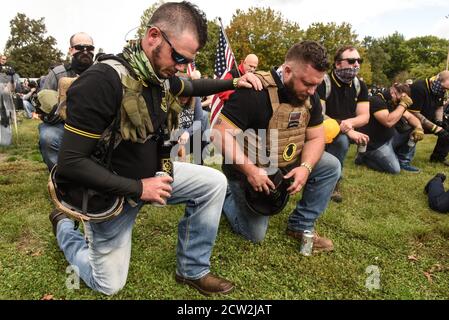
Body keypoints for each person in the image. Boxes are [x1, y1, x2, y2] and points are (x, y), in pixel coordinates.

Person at [50, 1, 262, 296]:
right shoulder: (102, 80)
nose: (180, 67)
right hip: (111, 196)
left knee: (213, 183)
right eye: (177, 56)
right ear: (153, 36)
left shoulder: (158, 76)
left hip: (153, 178)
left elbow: (189, 87)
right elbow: (71, 162)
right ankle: (63, 228)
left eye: (186, 60)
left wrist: (235, 81)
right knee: (108, 284)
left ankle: (192, 269)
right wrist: (139, 188)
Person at [212, 40, 340, 251]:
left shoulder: (311, 95)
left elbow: (316, 138)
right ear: (287, 71)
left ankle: (300, 225)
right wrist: (251, 170)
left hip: (286, 159)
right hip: (248, 166)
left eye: (316, 84)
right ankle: (227, 194)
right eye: (307, 83)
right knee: (253, 235)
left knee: (331, 166)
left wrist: (306, 168)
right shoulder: (254, 91)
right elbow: (218, 134)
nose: (312, 91)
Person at [317, 45, 370, 202]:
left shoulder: (360, 85)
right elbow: (319, 115)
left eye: (359, 60)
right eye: (352, 60)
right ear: (338, 63)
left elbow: (365, 116)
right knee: (341, 141)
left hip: (342, 129)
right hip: (320, 127)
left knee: (341, 140)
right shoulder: (323, 82)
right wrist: (347, 129)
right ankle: (330, 179)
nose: (357, 65)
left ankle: (334, 182)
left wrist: (347, 124)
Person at [37, 32, 95, 171]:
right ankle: (60, 178)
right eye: (80, 47)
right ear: (70, 50)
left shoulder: (101, 71)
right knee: (48, 137)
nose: (85, 51)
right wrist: (51, 113)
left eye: (90, 48)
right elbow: (41, 102)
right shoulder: (58, 73)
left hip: (94, 126)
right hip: (62, 124)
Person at [356, 83, 424, 173]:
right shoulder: (376, 101)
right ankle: (364, 157)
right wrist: (403, 105)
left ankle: (403, 162)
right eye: (401, 98)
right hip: (375, 143)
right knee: (394, 170)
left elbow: (411, 117)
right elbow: (388, 122)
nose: (402, 100)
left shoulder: (394, 101)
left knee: (413, 130)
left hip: (390, 138)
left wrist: (419, 128)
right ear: (393, 92)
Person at [408, 71, 449, 166]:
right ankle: (403, 157)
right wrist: (435, 128)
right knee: (441, 131)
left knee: (447, 128)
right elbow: (414, 113)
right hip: (412, 121)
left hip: (429, 118)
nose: (444, 91)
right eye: (444, 88)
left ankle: (438, 158)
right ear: (437, 81)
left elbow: (439, 107)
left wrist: (439, 122)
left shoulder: (440, 90)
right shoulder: (419, 88)